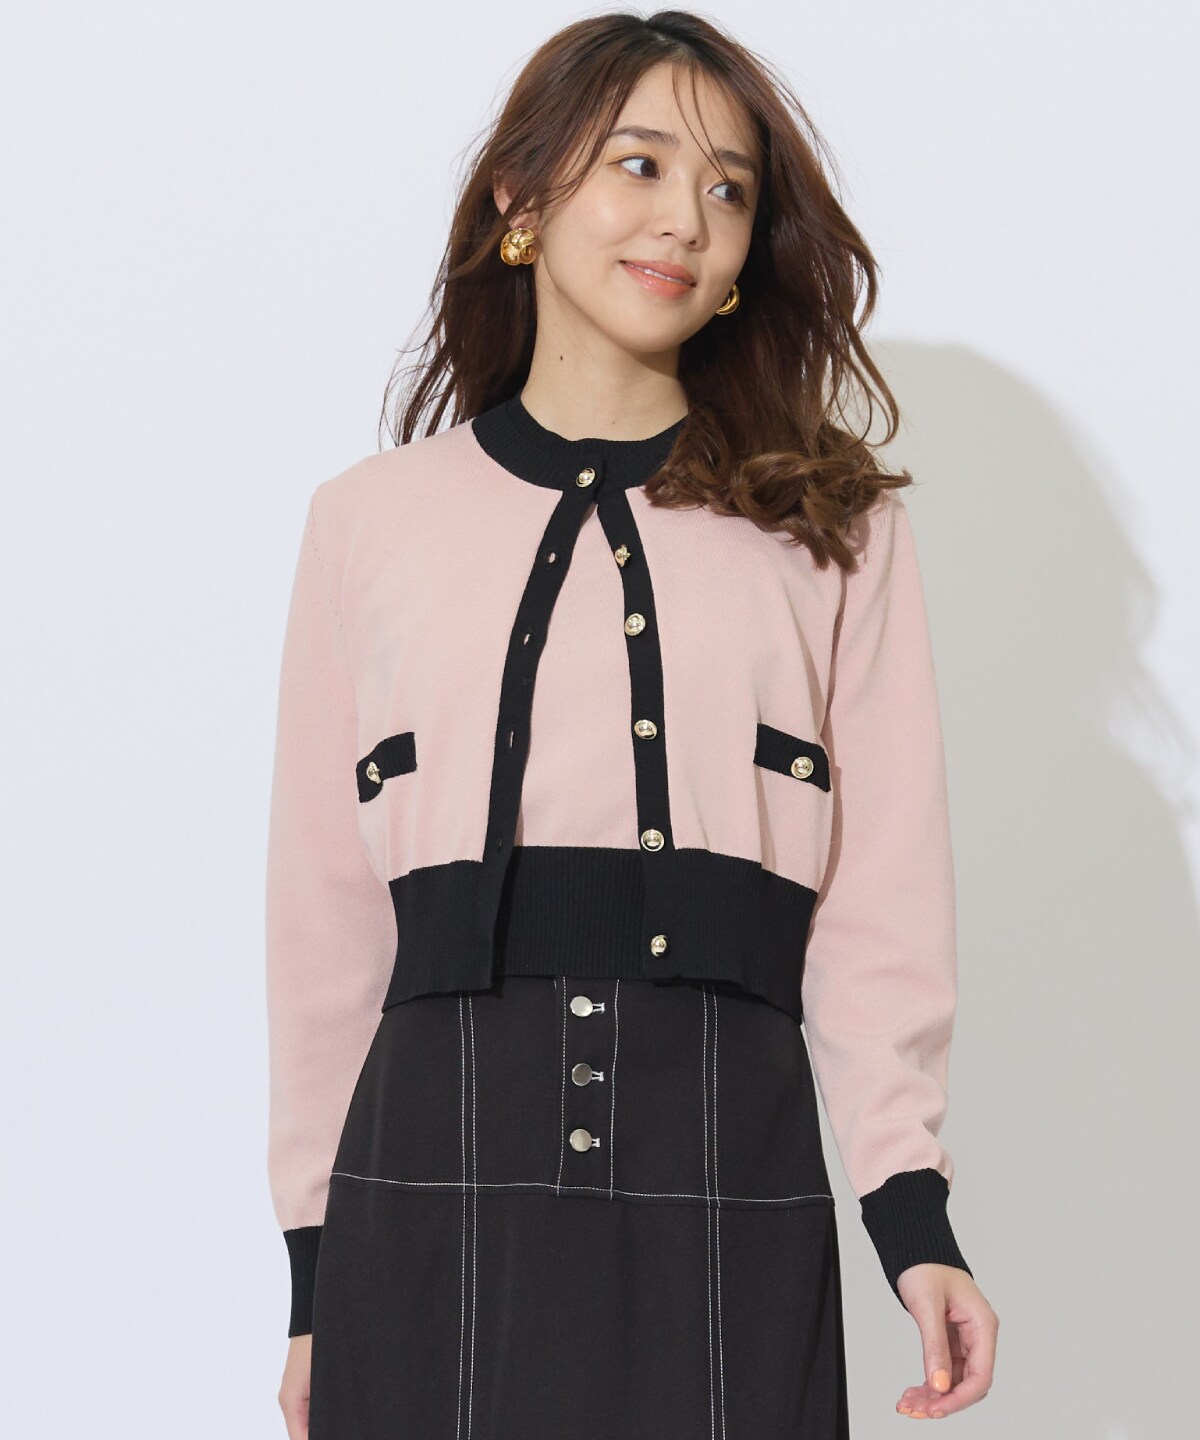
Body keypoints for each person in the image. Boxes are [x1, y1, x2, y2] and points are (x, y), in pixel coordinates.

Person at [265, 10, 999, 1437]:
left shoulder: (834, 527)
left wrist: (913, 1217)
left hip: (733, 1147)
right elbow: (323, 927)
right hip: (423, 1173)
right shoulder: (366, 524)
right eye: (642, 165)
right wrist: (312, 1277)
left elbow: (884, 904)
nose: (687, 221)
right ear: (522, 197)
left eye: (729, 189)